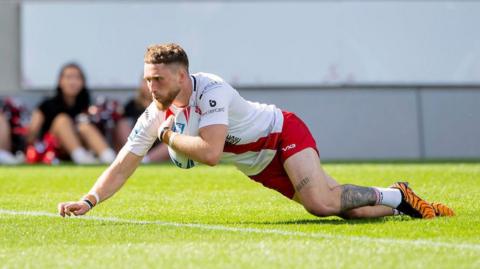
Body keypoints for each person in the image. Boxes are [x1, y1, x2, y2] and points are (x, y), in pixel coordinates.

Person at [58, 43, 454, 219]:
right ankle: (398, 199)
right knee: (349, 211)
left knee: (320, 203)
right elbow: (125, 163)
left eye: (158, 80)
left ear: (182, 75)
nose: (151, 88)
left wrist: (167, 137)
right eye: (147, 79)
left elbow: (210, 153)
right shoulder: (156, 111)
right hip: (258, 164)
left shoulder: (211, 90)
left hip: (281, 134)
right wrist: (89, 200)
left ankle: (397, 195)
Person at [27, 63, 116, 165]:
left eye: (77, 78)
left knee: (84, 126)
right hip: (54, 148)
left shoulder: (88, 104)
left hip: (83, 145)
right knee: (62, 119)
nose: (73, 82)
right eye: (68, 77)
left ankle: (109, 157)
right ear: (60, 81)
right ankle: (80, 157)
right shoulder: (47, 105)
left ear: (83, 82)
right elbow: (32, 133)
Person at [114, 78, 169, 163]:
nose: (150, 85)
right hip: (137, 139)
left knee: (172, 139)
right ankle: (130, 154)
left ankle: (145, 161)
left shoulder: (167, 104)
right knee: (121, 124)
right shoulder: (132, 105)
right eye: (147, 81)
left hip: (158, 141)